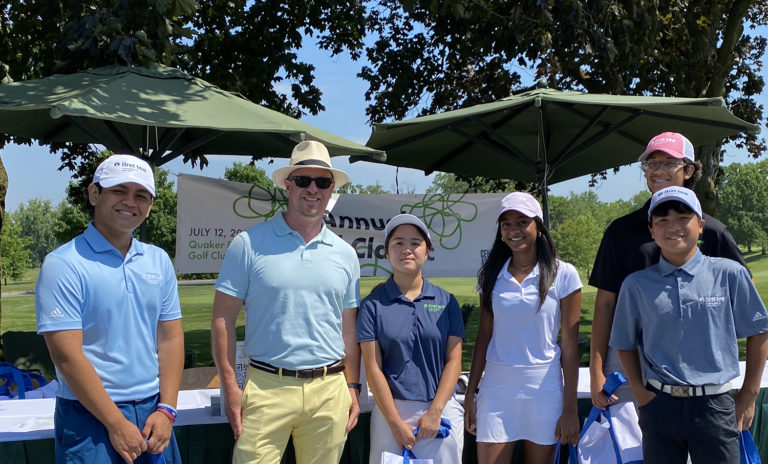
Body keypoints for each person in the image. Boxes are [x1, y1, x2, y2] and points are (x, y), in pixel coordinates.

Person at [211, 140, 362, 464]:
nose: (313, 189)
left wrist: (352, 386)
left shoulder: (346, 254)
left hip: (329, 390)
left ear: (331, 188)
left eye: (322, 182)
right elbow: (222, 320)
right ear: (288, 185)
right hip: (266, 387)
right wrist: (230, 388)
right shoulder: (248, 244)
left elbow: (348, 328)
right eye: (304, 180)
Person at [36, 154, 184, 464]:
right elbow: (66, 356)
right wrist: (116, 423)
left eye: (141, 195)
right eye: (119, 190)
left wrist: (167, 409)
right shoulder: (63, 264)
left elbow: (170, 339)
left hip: (153, 413)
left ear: (150, 206)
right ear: (94, 193)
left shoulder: (158, 260)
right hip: (89, 415)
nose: (130, 201)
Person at [589, 131, 748, 409]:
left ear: (688, 170)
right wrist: (596, 371)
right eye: (651, 164)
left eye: (668, 163)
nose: (658, 171)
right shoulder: (620, 231)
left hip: (696, 367)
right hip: (629, 361)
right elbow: (604, 305)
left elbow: (743, 308)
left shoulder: (713, 232)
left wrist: (747, 394)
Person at [610, 186, 768, 463]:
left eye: (683, 217)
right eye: (662, 220)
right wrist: (639, 391)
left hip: (715, 404)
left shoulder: (729, 274)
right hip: (659, 404)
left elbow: (759, 331)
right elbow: (624, 342)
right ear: (651, 231)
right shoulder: (636, 284)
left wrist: (749, 394)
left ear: (701, 225)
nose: (674, 227)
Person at [464, 192, 582, 463]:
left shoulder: (563, 273)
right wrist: (471, 393)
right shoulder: (491, 274)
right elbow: (484, 336)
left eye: (521, 222)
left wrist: (570, 408)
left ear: (538, 226)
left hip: (544, 389)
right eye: (506, 224)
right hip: (496, 388)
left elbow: (570, 345)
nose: (513, 230)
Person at [357, 214, 465, 463]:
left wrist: (435, 411)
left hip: (440, 410)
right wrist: (394, 422)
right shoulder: (372, 305)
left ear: (427, 252)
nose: (407, 249)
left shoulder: (446, 301)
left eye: (415, 243)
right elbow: (373, 368)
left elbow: (454, 361)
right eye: (398, 243)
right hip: (391, 412)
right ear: (386, 253)